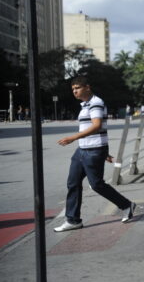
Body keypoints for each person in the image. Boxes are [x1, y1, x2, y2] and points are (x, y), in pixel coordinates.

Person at [54, 77, 137, 232]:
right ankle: (73, 220)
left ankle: (126, 205)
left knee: (97, 185)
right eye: (73, 89)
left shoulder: (96, 102)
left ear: (87, 87)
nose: (75, 91)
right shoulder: (85, 105)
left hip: (93, 150)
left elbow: (97, 126)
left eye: (77, 88)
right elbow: (96, 128)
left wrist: (73, 138)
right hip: (83, 150)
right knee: (73, 183)